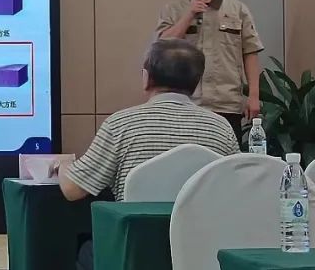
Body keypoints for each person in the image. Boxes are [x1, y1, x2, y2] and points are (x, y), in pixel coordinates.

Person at [57, 39, 239, 203]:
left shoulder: (120, 125)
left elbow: (73, 190)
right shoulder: (221, 127)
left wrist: (64, 165)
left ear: (146, 78)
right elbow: (238, 187)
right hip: (202, 231)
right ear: (197, 83)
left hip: (137, 231)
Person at [157, 0, 264, 140]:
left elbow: (250, 52)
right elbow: (163, 46)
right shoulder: (173, 10)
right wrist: (189, 14)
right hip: (184, 104)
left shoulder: (237, 9)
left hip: (226, 103)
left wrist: (254, 96)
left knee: (226, 156)